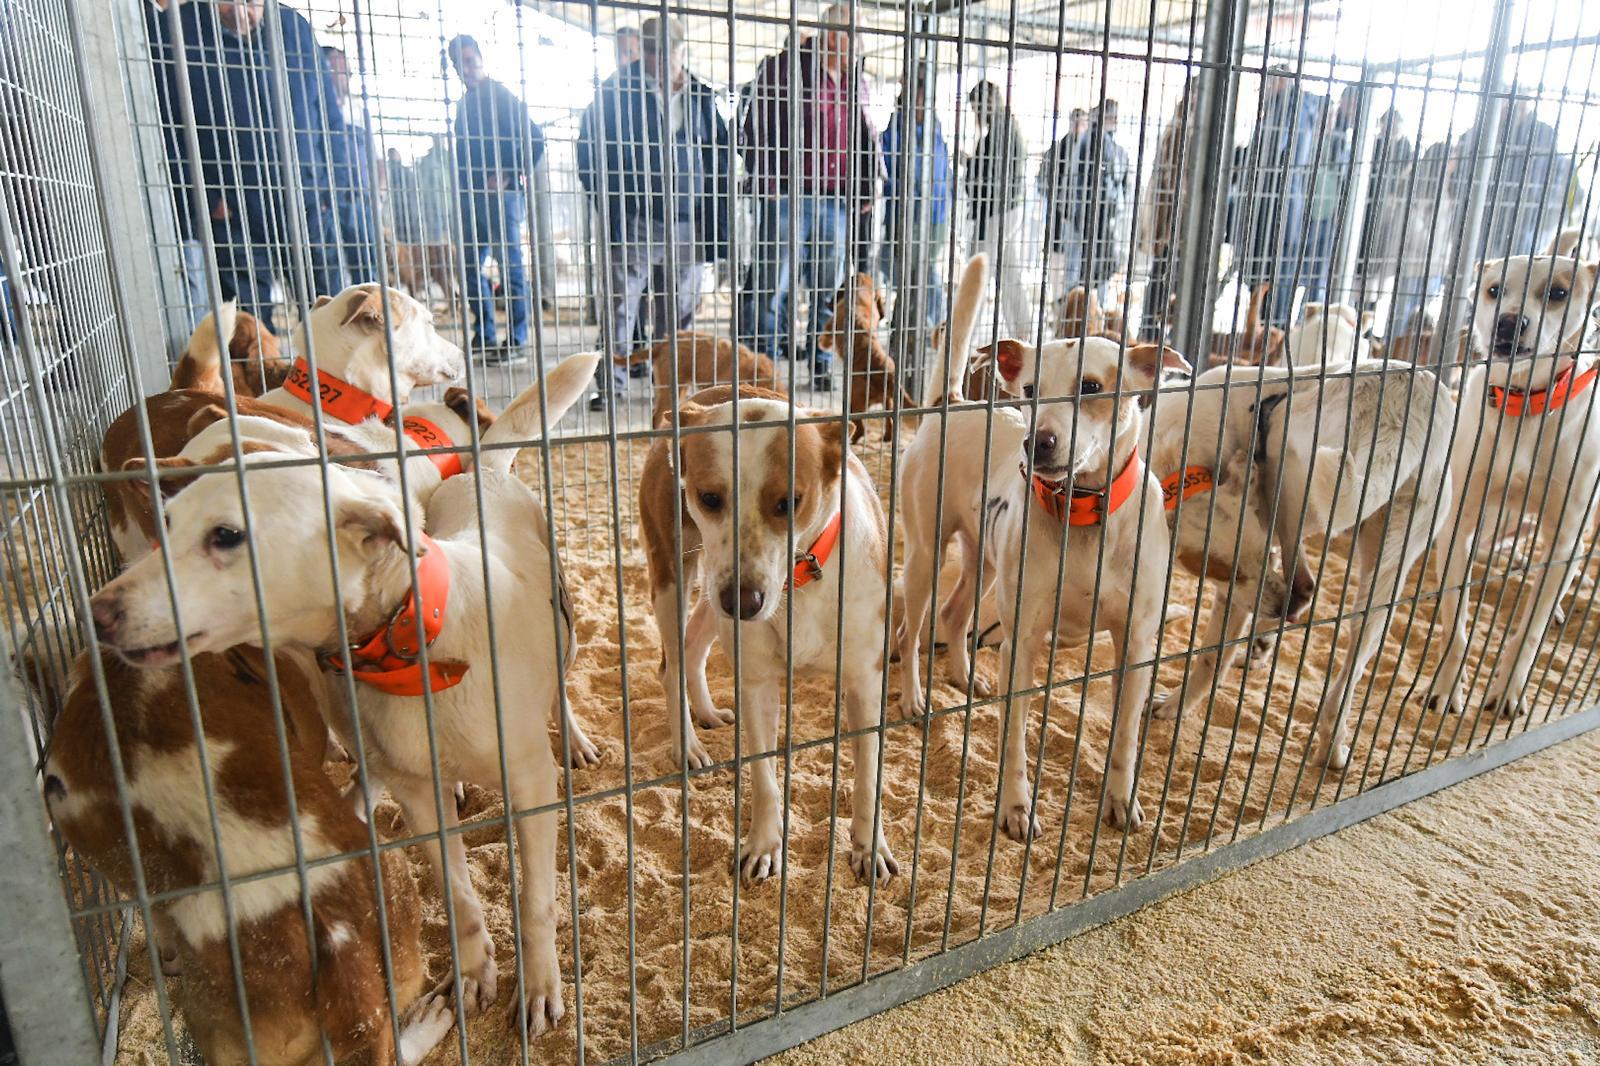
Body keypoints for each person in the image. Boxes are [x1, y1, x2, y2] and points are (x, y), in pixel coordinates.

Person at [147, 0, 351, 326]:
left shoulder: (294, 27)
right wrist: (207, 200)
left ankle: (329, 378)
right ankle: (263, 378)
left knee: (331, 312)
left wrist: (333, 191)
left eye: (252, 2)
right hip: (232, 209)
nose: (241, 13)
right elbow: (163, 125)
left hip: (308, 201)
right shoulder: (177, 29)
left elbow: (328, 116)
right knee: (250, 327)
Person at [577, 16, 732, 411]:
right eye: (650, 50)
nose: (660, 58)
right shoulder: (615, 91)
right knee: (620, 307)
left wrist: (712, 213)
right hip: (636, 219)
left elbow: (719, 156)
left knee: (677, 316)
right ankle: (611, 385)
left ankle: (672, 393)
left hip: (687, 221)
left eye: (668, 50)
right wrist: (612, 200)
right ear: (641, 50)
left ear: (683, 50)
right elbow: (588, 149)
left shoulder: (700, 95)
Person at [739, 4, 880, 390]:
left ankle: (819, 364)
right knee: (771, 288)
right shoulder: (785, 68)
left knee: (826, 290)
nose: (862, 43)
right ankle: (760, 372)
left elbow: (868, 138)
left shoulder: (857, 80)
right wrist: (768, 182)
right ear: (835, 35)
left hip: (836, 199)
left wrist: (867, 184)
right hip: (788, 195)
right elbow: (752, 126)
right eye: (857, 33)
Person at [448, 33, 544, 365]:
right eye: (461, 64)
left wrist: (512, 171)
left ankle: (516, 339)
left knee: (511, 267)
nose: (468, 69)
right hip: (472, 199)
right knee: (470, 266)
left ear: (481, 60)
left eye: (471, 62)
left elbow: (536, 139)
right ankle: (485, 334)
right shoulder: (464, 105)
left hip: (502, 198)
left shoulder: (501, 96)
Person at [1237, 67, 1326, 325]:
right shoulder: (1297, 109)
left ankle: (1266, 345)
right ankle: (1266, 340)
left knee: (1270, 288)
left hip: (1274, 210)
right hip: (1280, 210)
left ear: (1280, 82)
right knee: (1271, 286)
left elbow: (1271, 153)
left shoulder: (1287, 110)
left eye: (1267, 82)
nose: (1262, 90)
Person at [880, 72, 952, 340]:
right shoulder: (898, 123)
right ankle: (921, 321)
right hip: (902, 212)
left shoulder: (934, 125)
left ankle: (938, 323)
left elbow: (937, 170)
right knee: (895, 264)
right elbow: (889, 162)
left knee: (923, 268)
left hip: (933, 213)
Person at [963, 80, 1031, 341]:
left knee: (977, 272)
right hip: (1006, 209)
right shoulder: (1006, 127)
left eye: (976, 107)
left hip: (995, 212)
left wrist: (970, 168)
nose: (976, 114)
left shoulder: (1001, 131)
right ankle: (1023, 333)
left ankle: (966, 333)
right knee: (1009, 274)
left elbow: (989, 178)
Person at [1480, 98, 1571, 258]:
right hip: (1493, 206)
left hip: (1528, 208)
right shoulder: (1493, 127)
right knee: (1487, 257)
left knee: (1521, 257)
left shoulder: (1543, 132)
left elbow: (1556, 169)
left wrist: (1545, 198)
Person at [322, 45, 380, 287]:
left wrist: (379, 194)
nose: (346, 72)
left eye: (346, 66)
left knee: (367, 270)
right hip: (328, 201)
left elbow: (375, 156)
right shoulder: (316, 108)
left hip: (360, 200)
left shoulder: (359, 111)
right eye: (338, 65)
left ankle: (371, 322)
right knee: (329, 271)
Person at [1142, 87, 1194, 341]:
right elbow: (1174, 179)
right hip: (1174, 218)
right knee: (1164, 276)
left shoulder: (1184, 127)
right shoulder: (1179, 130)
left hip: (1176, 217)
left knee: (1167, 276)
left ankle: (1159, 332)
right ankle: (1153, 333)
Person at [1069, 98, 1132, 303]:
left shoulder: (1095, 137)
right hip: (1097, 213)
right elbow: (1103, 180)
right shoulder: (1098, 139)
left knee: (1095, 263)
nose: (1115, 120)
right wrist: (1115, 203)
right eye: (1113, 115)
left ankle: (1092, 307)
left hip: (1092, 212)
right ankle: (1093, 308)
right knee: (1099, 264)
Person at [1356, 109, 1415, 306]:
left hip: (1389, 209)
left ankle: (1369, 309)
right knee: (1362, 255)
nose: (1392, 129)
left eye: (1396, 125)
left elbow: (1405, 176)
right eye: (1388, 124)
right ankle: (1358, 304)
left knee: (1379, 259)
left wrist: (1394, 196)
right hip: (1367, 206)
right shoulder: (1374, 144)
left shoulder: (1405, 147)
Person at [1039, 106, 1088, 301]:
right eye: (1075, 121)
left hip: (1080, 222)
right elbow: (1042, 180)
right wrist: (1059, 195)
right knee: (1057, 265)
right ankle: (1059, 307)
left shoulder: (1089, 150)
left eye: (1082, 122)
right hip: (1059, 218)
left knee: (1076, 267)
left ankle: (1071, 308)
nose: (1078, 126)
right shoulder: (1059, 149)